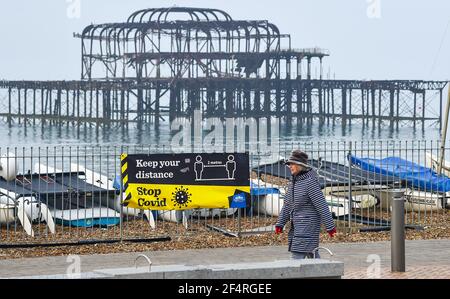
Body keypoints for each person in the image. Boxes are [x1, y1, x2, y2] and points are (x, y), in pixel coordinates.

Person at [275, 150, 336, 259]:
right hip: (298, 226)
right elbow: (287, 205)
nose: (289, 166)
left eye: (292, 164)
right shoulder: (293, 182)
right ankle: (322, 274)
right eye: (289, 164)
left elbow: (321, 205)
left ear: (300, 165)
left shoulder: (310, 182)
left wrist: (330, 227)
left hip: (308, 226)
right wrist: (280, 224)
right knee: (312, 254)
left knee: (297, 256)